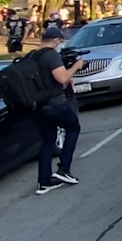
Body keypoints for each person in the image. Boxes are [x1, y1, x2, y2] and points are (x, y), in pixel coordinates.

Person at [32, 27, 84, 194]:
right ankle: (64, 169)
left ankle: (44, 181)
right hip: (55, 103)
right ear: (55, 40)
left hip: (38, 105)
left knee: (48, 139)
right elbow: (62, 77)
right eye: (60, 41)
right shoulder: (51, 55)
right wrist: (76, 66)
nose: (60, 44)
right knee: (73, 128)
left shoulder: (33, 55)